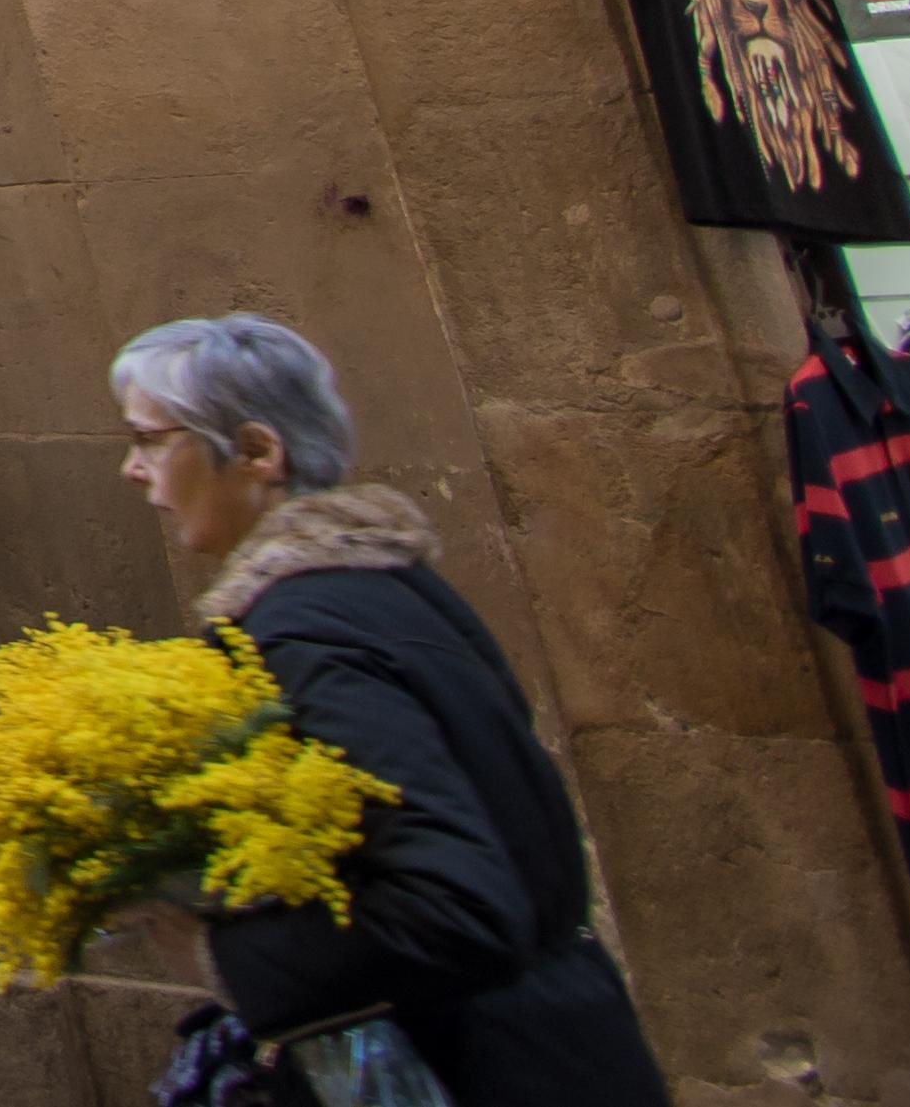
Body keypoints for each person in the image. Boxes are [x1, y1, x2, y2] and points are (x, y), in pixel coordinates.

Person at [112, 314, 670, 1106]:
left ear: (258, 452)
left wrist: (219, 953)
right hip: (562, 1043)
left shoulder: (300, 629)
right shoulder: (381, 588)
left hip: (478, 1067)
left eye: (150, 439)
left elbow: (458, 908)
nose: (133, 469)